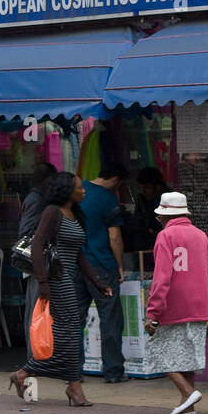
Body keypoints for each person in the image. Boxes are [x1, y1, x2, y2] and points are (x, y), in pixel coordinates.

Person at [8, 172, 111, 407]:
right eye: (79, 188)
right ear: (67, 191)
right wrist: (43, 283)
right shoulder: (52, 212)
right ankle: (26, 373)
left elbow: (79, 255)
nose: (84, 190)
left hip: (67, 280)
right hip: (53, 281)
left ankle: (72, 386)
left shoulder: (76, 215)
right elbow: (36, 245)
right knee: (64, 336)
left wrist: (97, 282)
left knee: (71, 334)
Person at [143, 192, 208, 414]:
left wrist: (153, 312)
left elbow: (162, 278)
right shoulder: (200, 236)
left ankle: (188, 392)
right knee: (186, 357)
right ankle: (188, 408)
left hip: (173, 307)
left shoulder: (165, 236)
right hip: (199, 306)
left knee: (157, 351)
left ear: (163, 216)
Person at [79, 164, 127, 383]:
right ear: (116, 180)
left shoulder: (79, 190)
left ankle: (72, 372)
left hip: (75, 264)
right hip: (101, 265)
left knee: (75, 319)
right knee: (110, 318)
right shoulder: (108, 199)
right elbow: (114, 237)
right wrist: (119, 265)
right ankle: (114, 371)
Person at [18, 161, 58, 334]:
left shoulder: (40, 199)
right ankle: (35, 356)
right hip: (37, 262)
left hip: (39, 261)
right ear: (46, 181)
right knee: (37, 311)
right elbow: (26, 233)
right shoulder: (36, 200)